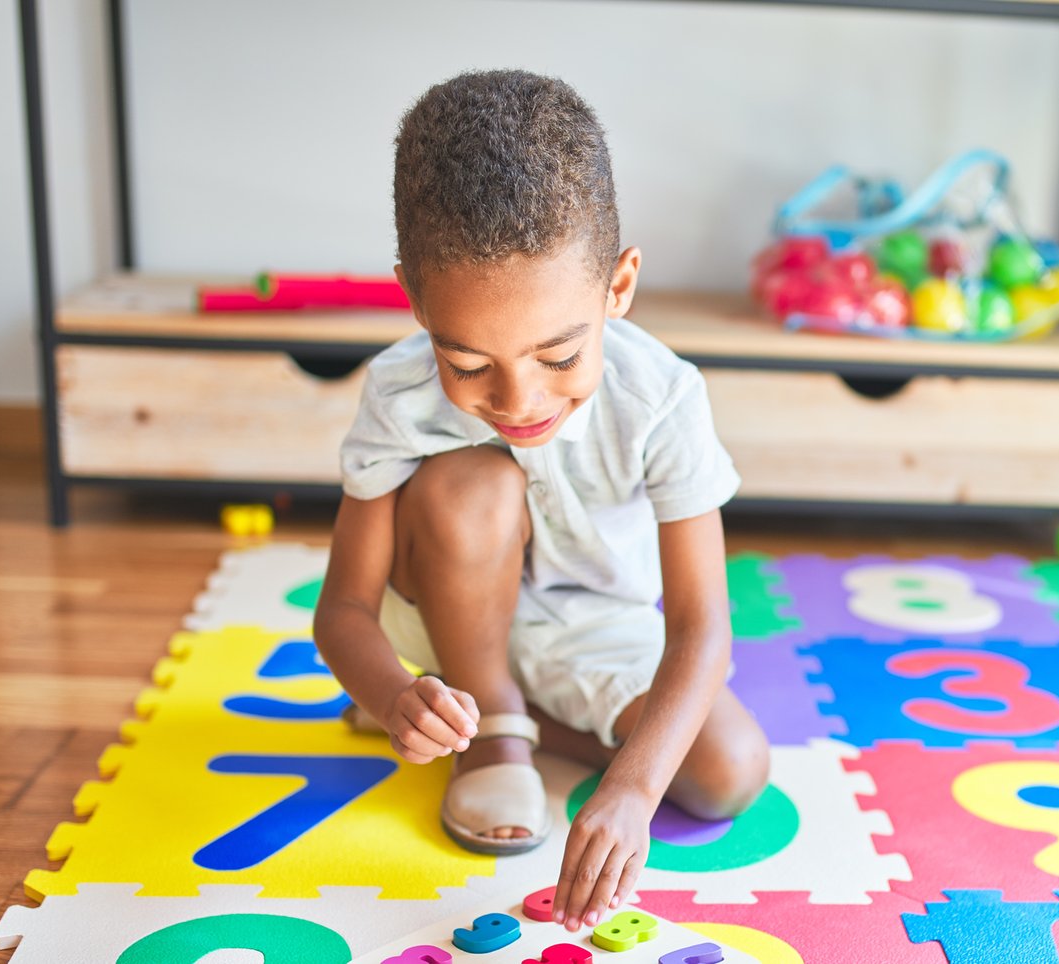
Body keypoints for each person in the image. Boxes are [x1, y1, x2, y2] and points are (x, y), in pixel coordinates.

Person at [313, 69, 770, 934]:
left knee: (728, 771)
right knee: (472, 476)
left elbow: (702, 623)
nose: (518, 400)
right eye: (469, 365)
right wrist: (386, 691)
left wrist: (634, 787)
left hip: (599, 625)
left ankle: (498, 717)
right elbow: (342, 610)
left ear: (619, 287)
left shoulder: (663, 396)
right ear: (413, 297)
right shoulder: (397, 395)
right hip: (446, 612)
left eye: (559, 357)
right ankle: (478, 716)